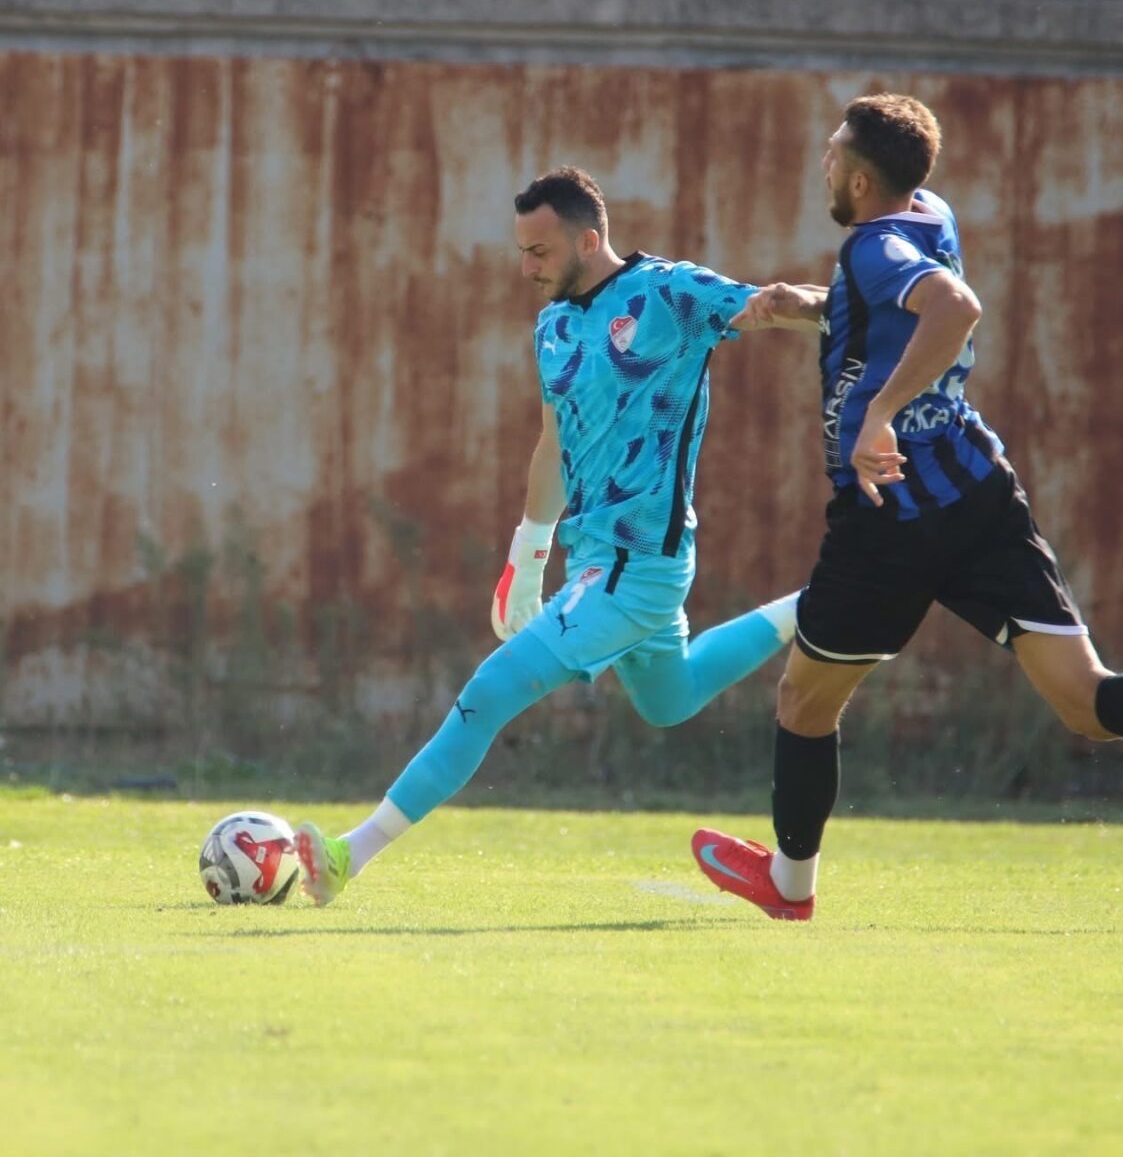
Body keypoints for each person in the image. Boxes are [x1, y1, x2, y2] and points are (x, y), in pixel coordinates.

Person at [691, 92, 1123, 922]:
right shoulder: (929, 214)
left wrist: (880, 414)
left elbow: (955, 307)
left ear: (858, 180)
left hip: (886, 515)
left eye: (832, 153)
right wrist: (810, 307)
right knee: (1089, 702)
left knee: (804, 703)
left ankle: (790, 889)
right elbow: (896, 310)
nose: (822, 162)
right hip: (978, 493)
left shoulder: (871, 244)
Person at [292, 166, 798, 905]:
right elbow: (554, 444)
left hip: (635, 566)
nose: (525, 267)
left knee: (488, 693)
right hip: (598, 561)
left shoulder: (668, 292)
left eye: (539, 251)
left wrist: (863, 309)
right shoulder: (554, 325)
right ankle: (814, 609)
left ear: (588, 241)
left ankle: (348, 856)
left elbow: (770, 307)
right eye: (521, 251)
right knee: (671, 697)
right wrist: (525, 561)